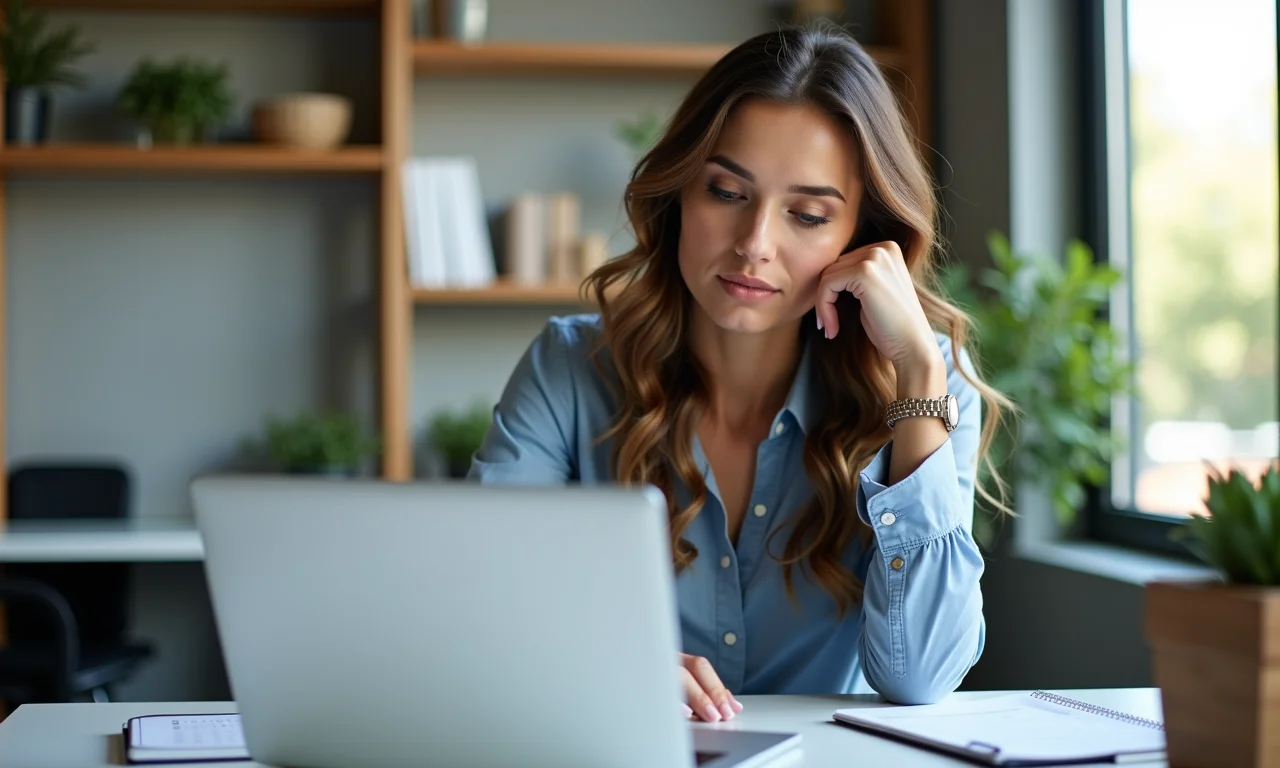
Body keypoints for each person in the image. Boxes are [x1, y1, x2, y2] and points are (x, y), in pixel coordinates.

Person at [468, 25, 1009, 722]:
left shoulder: (927, 391)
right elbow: (483, 601)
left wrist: (918, 380)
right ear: (679, 195)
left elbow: (920, 676)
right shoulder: (570, 369)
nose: (754, 246)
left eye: (808, 215)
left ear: (864, 239)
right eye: (726, 193)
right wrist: (611, 662)